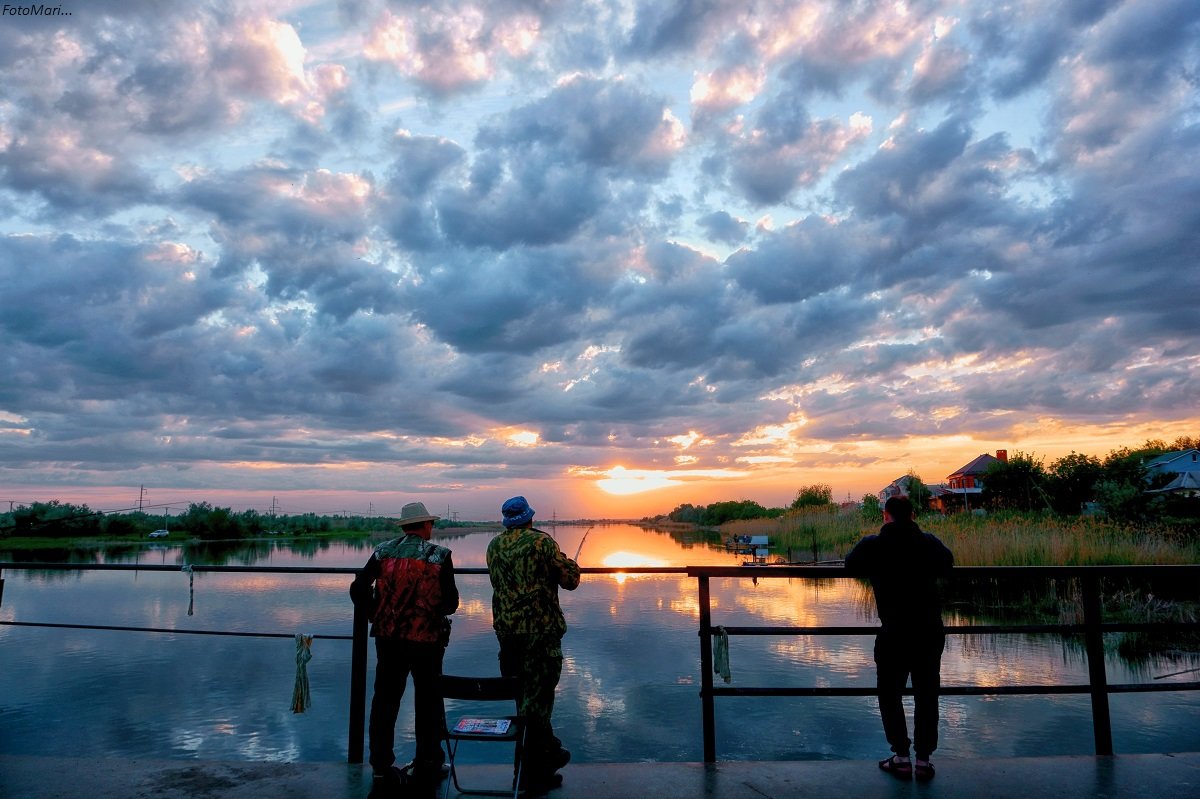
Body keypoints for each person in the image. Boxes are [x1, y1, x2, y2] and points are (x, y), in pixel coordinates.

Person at [350, 501, 459, 797]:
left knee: (385, 701)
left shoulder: (382, 552)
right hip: (427, 641)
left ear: (403, 526)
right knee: (428, 701)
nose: (431, 528)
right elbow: (451, 603)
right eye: (430, 524)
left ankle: (381, 767)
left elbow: (357, 588)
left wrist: (376, 612)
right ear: (425, 526)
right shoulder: (439, 556)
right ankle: (429, 761)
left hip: (388, 639)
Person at [844, 495, 953, 782]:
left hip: (894, 632)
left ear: (885, 515)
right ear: (913, 515)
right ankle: (924, 760)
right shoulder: (928, 542)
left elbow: (850, 566)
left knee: (890, 695)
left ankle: (901, 757)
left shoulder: (873, 544)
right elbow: (947, 563)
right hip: (929, 631)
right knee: (927, 695)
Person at [486, 496, 580, 792]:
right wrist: (571, 563)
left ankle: (537, 766)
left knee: (524, 702)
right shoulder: (542, 543)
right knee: (537, 705)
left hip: (507, 634)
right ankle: (535, 772)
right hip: (540, 634)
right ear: (530, 518)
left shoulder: (494, 546)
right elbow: (570, 581)